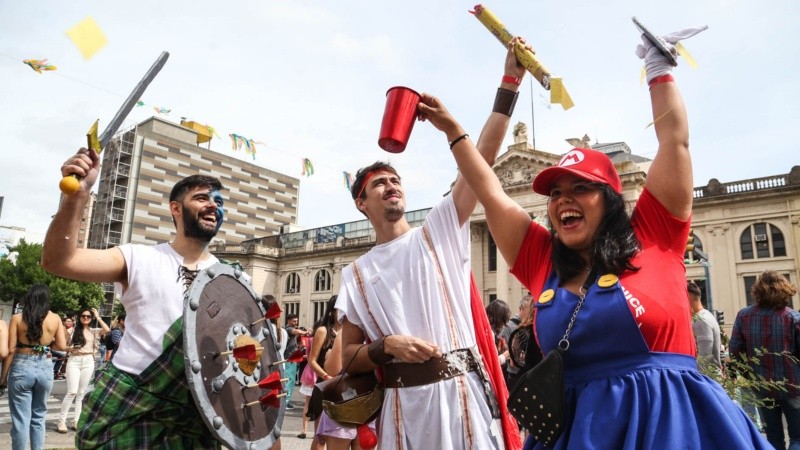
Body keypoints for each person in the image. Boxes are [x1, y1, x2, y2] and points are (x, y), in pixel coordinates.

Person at [422, 26, 771, 448]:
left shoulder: (654, 235)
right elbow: (489, 189)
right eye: (554, 193)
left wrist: (658, 68)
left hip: (674, 428)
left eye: (579, 188)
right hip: (577, 434)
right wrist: (463, 125)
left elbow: (674, 141)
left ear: (609, 199)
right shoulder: (541, 259)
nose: (562, 200)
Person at [336, 38, 529, 450]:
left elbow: (484, 157)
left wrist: (509, 83)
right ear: (361, 202)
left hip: (463, 404)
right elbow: (345, 357)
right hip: (401, 412)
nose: (391, 186)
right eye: (379, 183)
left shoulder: (438, 228)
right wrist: (385, 346)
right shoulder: (354, 273)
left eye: (395, 180)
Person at [41, 147, 227, 449]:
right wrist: (78, 195)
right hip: (129, 404)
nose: (213, 206)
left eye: (218, 202)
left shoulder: (231, 279)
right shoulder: (138, 257)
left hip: (193, 416)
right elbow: (59, 261)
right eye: (202, 198)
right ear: (175, 209)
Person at [730, 271, 800, 450]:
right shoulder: (793, 317)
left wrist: (750, 375)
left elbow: (735, 351)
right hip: (792, 385)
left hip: (761, 386)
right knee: (797, 438)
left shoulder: (743, 316)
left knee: (773, 437)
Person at [0, 284, 67, 450]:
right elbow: (61, 346)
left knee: (21, 419)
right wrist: (45, 345)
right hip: (45, 366)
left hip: (22, 367)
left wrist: (3, 378)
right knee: (39, 417)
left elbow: (11, 350)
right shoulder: (55, 318)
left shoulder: (17, 318)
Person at [57, 307, 109, 433]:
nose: (85, 318)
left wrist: (98, 317)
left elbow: (107, 329)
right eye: (83, 316)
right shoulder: (72, 330)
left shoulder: (94, 331)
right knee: (72, 392)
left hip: (88, 361)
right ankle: (61, 421)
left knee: (81, 393)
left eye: (88, 316)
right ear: (79, 317)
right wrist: (71, 349)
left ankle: (76, 420)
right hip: (74, 360)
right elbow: (62, 346)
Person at [687, 281, 721, 372]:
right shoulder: (705, 316)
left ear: (688, 296)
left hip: (706, 379)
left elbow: (704, 358)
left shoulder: (700, 319)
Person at [283, 313, 308, 410]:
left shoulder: (291, 331)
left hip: (292, 359)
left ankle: (286, 401)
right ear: (288, 321)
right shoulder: (288, 329)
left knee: (291, 381)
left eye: (296, 321)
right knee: (289, 381)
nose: (296, 323)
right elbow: (296, 331)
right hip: (289, 359)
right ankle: (285, 402)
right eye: (294, 321)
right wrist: (306, 332)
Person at [486, 299, 512, 367]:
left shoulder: (489, 331)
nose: (503, 325)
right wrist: (505, 355)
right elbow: (490, 362)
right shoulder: (488, 333)